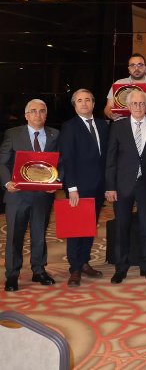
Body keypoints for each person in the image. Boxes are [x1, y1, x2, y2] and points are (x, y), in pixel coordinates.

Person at [105, 89, 146, 284]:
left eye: (141, 103)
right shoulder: (118, 127)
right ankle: (121, 268)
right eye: (134, 104)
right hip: (122, 185)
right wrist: (110, 186)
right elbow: (111, 158)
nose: (138, 107)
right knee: (122, 227)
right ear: (128, 106)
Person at [1, 99, 59, 292]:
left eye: (42, 111)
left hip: (43, 196)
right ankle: (12, 275)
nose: (37, 114)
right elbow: (3, 162)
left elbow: (61, 162)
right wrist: (7, 183)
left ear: (46, 115)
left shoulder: (55, 135)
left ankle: (39, 270)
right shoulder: (13, 134)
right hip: (17, 195)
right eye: (33, 111)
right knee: (14, 237)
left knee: (39, 235)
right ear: (26, 115)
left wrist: (56, 182)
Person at [58, 89, 109, 287]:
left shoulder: (103, 125)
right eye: (80, 100)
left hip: (98, 186)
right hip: (78, 187)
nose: (84, 103)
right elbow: (67, 159)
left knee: (90, 226)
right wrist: (71, 188)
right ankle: (75, 268)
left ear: (94, 104)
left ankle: (85, 262)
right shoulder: (69, 127)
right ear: (75, 105)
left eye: (88, 100)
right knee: (75, 228)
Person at [104, 53, 146, 121]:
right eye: (132, 65)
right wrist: (110, 114)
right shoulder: (118, 83)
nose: (136, 68)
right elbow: (108, 107)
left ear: (145, 68)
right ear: (129, 69)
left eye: (140, 65)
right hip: (122, 124)